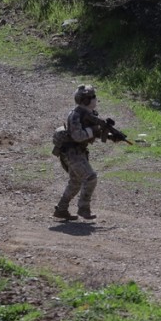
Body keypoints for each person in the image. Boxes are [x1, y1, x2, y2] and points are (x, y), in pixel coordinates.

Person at [53, 84, 106, 220]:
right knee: (90, 177)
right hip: (71, 152)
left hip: (78, 151)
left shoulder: (89, 114)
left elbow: (93, 132)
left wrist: (110, 135)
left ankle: (61, 209)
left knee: (75, 181)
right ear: (85, 100)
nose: (95, 99)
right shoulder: (75, 115)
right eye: (92, 97)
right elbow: (78, 136)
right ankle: (83, 208)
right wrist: (93, 131)